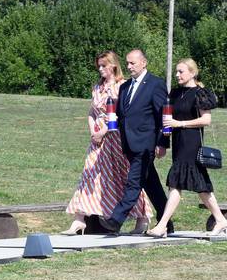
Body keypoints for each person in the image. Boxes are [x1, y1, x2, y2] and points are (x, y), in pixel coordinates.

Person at [63, 51, 152, 235]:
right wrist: (93, 130)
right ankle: (79, 219)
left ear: (112, 65)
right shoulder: (98, 87)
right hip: (97, 139)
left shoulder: (123, 86)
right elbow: (91, 111)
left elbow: (122, 114)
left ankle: (142, 216)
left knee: (125, 177)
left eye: (104, 65)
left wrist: (104, 131)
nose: (101, 69)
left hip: (116, 137)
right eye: (99, 66)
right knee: (89, 174)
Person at [146, 59, 227, 237]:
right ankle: (220, 219)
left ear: (192, 73)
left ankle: (162, 225)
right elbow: (167, 116)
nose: (177, 75)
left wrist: (179, 123)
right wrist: (164, 136)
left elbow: (206, 120)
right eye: (176, 71)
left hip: (191, 142)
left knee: (175, 182)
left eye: (181, 71)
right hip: (178, 141)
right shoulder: (175, 93)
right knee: (201, 186)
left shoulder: (200, 93)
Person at [98, 49, 173, 234]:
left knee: (134, 181)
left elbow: (163, 115)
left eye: (133, 63)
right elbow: (123, 115)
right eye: (128, 63)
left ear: (144, 62)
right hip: (129, 144)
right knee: (151, 184)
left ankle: (116, 219)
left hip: (146, 144)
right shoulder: (125, 87)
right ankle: (167, 222)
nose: (129, 67)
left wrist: (163, 143)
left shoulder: (156, 84)